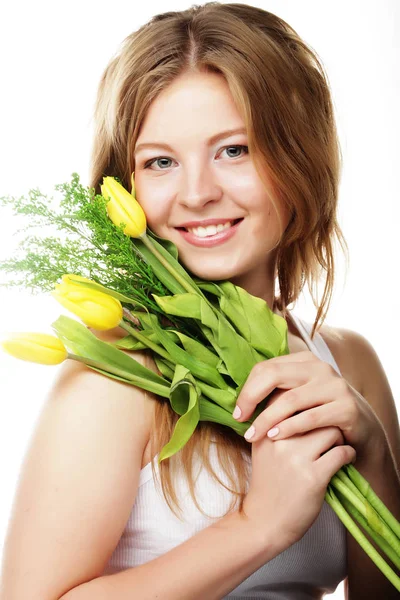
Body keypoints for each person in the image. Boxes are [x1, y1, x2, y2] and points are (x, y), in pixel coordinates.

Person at [1, 3, 399, 599]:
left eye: (233, 150)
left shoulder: (348, 364)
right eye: (160, 162)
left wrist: (371, 455)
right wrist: (257, 527)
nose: (197, 193)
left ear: (299, 154)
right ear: (124, 187)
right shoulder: (117, 379)